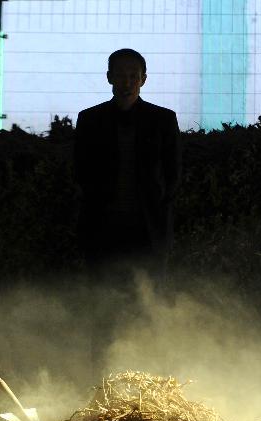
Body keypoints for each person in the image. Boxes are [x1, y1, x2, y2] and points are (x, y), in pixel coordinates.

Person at [73, 48, 182, 378]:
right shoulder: (89, 119)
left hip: (146, 232)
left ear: (143, 80)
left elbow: (173, 176)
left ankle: (148, 380)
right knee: (102, 308)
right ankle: (103, 378)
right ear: (109, 78)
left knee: (147, 306)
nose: (127, 81)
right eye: (120, 75)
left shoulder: (163, 120)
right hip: (103, 231)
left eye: (133, 75)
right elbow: (80, 173)